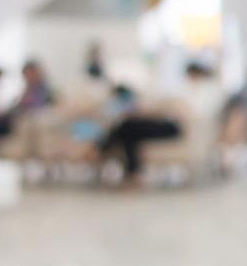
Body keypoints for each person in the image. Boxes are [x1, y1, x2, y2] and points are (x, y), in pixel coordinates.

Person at [94, 63, 222, 188]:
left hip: (177, 127)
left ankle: (99, 149)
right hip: (167, 121)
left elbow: (191, 113)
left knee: (127, 126)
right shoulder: (189, 89)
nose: (188, 77)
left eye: (190, 74)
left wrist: (172, 108)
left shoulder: (206, 91)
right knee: (129, 130)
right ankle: (131, 172)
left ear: (197, 74)